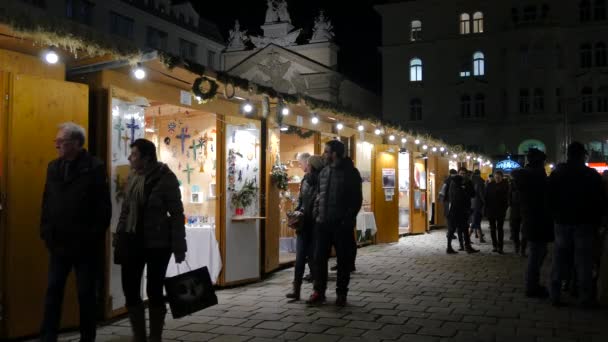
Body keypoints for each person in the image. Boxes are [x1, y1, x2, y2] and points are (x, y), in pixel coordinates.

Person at [40, 122, 111, 342]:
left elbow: (103, 209)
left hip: (85, 246)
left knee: (86, 294)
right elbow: (47, 201)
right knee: (53, 292)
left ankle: (87, 338)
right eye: (57, 141)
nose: (57, 146)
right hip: (58, 243)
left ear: (77, 144)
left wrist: (91, 238)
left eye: (61, 142)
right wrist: (46, 231)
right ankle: (48, 337)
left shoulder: (94, 167)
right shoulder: (53, 167)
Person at [114, 139, 187, 342]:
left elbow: (177, 213)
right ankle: (139, 336)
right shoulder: (133, 177)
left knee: (154, 290)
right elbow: (126, 210)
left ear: (146, 158)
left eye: (134, 154)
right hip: (132, 241)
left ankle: (155, 336)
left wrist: (179, 246)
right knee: (130, 289)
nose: (130, 158)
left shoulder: (166, 178)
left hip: (158, 243)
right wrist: (119, 235)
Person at [548, 142, 605, 307]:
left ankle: (555, 295)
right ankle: (584, 297)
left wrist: (555, 215)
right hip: (584, 223)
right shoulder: (591, 174)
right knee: (584, 261)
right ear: (582, 156)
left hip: (562, 221)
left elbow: (549, 198)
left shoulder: (557, 173)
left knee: (559, 258)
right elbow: (599, 200)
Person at [307, 140, 362, 306]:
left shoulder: (350, 172)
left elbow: (356, 200)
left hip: (340, 224)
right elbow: (319, 194)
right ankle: (319, 291)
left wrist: (347, 219)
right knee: (319, 259)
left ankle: (341, 293)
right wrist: (317, 212)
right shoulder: (324, 172)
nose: (324, 154)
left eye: (327, 151)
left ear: (335, 154)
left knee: (343, 261)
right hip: (322, 223)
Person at [512, 148, 553, 298]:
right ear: (539, 162)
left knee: (536, 254)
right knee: (537, 254)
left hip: (530, 219)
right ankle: (532, 287)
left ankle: (532, 285)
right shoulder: (536, 177)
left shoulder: (525, 176)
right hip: (538, 220)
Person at [286, 154, 323, 300]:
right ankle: (296, 290)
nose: (305, 167)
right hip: (303, 225)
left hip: (316, 226)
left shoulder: (322, 181)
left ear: (311, 166)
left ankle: (317, 291)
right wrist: (298, 211)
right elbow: (301, 202)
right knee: (300, 258)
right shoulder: (305, 181)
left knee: (314, 259)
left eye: (307, 164)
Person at [446, 167, 479, 254]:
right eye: (461, 173)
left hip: (464, 209)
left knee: (465, 228)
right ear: (458, 173)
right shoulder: (454, 182)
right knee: (452, 229)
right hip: (455, 209)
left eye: (464, 173)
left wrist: (466, 190)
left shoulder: (468, 182)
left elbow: (473, 194)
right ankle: (449, 247)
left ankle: (467, 246)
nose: (462, 175)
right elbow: (452, 196)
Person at [484, 170, 509, 253]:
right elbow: (486, 198)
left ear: (502, 177)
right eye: (496, 177)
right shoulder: (490, 185)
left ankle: (500, 247)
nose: (497, 178)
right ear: (494, 177)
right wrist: (486, 209)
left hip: (500, 210)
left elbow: (507, 199)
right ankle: (495, 245)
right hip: (491, 210)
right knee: (492, 229)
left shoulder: (506, 185)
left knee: (500, 229)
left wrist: (505, 208)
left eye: (499, 177)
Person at [509, 177, 526, 256]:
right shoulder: (513, 187)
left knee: (521, 231)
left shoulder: (513, 187)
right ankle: (519, 247)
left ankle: (520, 248)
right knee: (516, 231)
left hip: (521, 211)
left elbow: (509, 199)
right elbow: (509, 199)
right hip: (518, 211)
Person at [470, 169, 486, 242]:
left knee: (476, 220)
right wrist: (485, 202)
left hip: (471, 203)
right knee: (475, 221)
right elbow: (481, 194)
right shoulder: (480, 181)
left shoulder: (471, 180)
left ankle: (480, 237)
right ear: (479, 174)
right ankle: (467, 238)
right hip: (477, 203)